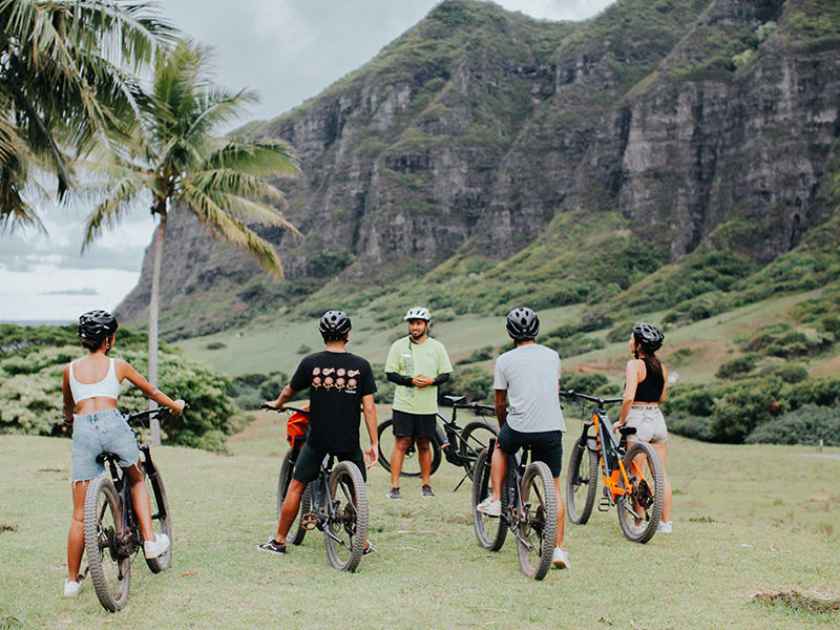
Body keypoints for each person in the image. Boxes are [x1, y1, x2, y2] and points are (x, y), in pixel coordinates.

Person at [62, 310, 185, 598]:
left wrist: (69, 419)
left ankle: (71, 581)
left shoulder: (68, 370)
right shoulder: (118, 365)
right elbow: (152, 391)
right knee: (137, 477)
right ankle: (150, 539)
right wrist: (175, 406)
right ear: (108, 340)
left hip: (83, 432)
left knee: (80, 515)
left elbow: (68, 408)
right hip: (112, 423)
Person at [260, 310, 378, 555]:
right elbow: (368, 407)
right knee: (358, 491)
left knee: (296, 485)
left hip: (318, 438)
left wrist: (278, 404)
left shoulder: (311, 363)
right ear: (348, 334)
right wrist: (375, 443)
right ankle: (362, 543)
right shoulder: (361, 366)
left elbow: (288, 391)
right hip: (348, 439)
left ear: (323, 334)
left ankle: (279, 541)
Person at [476, 307, 570, 569]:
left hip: (519, 426)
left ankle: (495, 499)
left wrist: (504, 427)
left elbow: (499, 402)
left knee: (500, 446)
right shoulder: (553, 356)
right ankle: (559, 550)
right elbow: (554, 390)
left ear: (510, 333)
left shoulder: (505, 360)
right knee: (554, 486)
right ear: (536, 330)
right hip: (551, 427)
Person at [384, 307, 453, 499]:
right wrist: (410, 381)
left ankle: (426, 485)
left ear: (426, 325)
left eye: (419, 323)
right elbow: (390, 373)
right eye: (412, 323)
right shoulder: (398, 346)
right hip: (404, 405)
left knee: (424, 444)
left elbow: (445, 374)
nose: (415, 327)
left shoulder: (437, 347)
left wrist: (432, 381)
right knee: (402, 443)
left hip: (427, 406)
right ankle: (394, 487)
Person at [612, 322, 673, 534]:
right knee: (661, 474)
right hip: (657, 418)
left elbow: (628, 396)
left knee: (637, 474)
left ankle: (639, 523)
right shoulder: (662, 367)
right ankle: (665, 523)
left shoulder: (634, 365)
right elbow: (663, 396)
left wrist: (621, 420)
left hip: (638, 418)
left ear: (638, 345)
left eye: (631, 338)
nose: (630, 341)